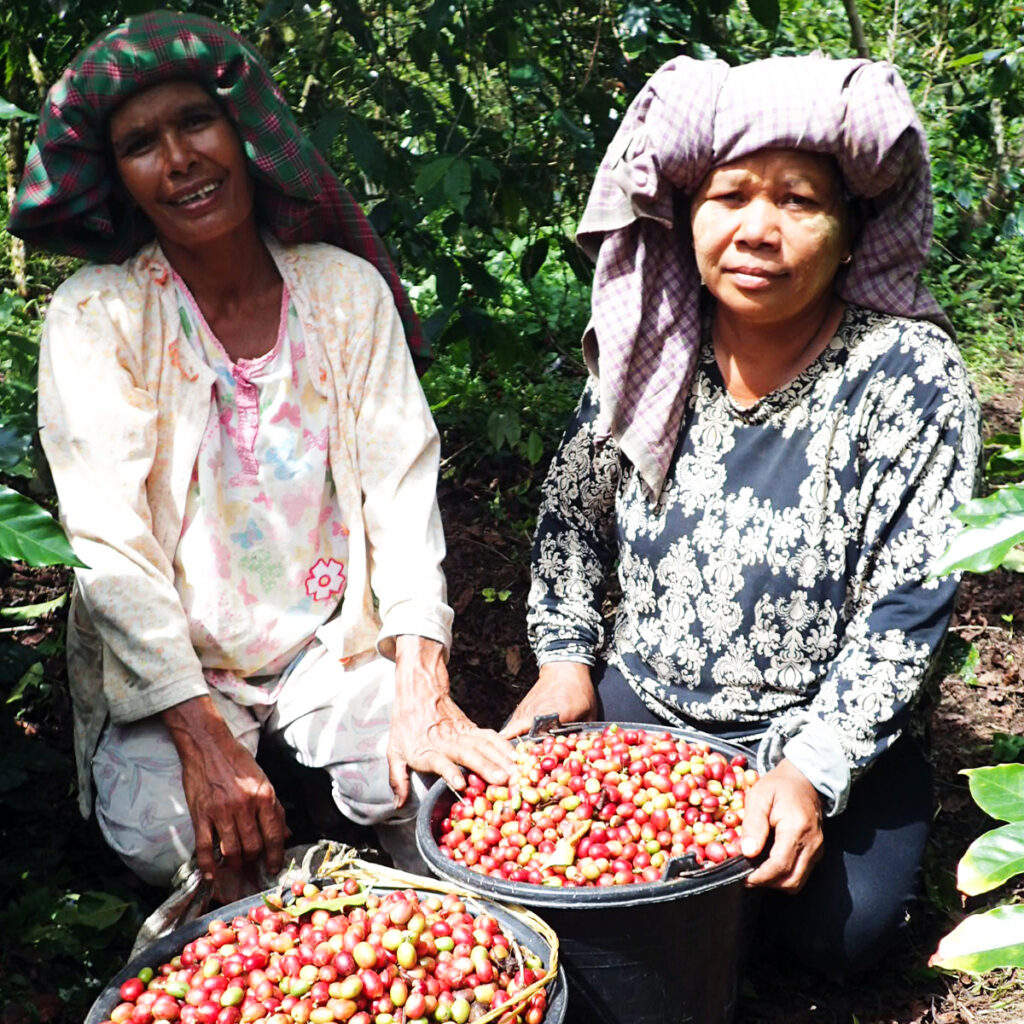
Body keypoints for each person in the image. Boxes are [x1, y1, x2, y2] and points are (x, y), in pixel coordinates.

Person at [9, 10, 514, 897]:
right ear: (121, 179)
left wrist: (421, 683)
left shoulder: (340, 291)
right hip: (180, 662)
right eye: (141, 145)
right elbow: (109, 544)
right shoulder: (100, 317)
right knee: (167, 842)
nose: (179, 160)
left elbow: (400, 487)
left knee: (439, 789)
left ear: (243, 134)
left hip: (327, 639)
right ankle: (280, 847)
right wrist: (201, 737)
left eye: (196, 123)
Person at [502, 53, 980, 975]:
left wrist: (808, 770)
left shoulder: (908, 375)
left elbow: (906, 611)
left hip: (817, 717)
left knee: (837, 937)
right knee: (555, 862)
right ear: (687, 218)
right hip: (651, 699)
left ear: (852, 229)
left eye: (799, 200)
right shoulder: (652, 348)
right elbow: (570, 526)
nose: (757, 229)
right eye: (730, 197)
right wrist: (566, 665)